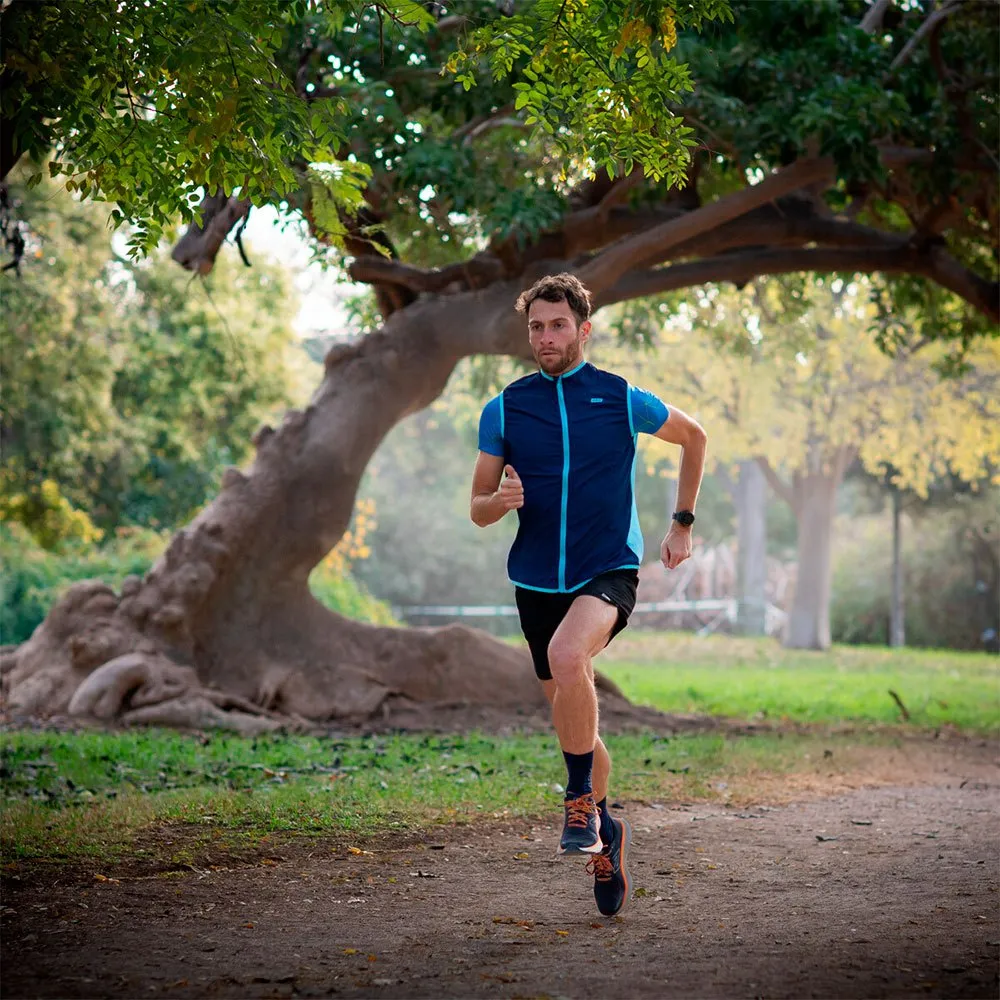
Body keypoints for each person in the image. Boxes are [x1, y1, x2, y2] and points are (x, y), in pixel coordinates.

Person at [469, 273, 707, 917]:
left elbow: (694, 437)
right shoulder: (505, 409)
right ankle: (605, 827)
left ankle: (577, 802)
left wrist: (682, 523)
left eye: (558, 325)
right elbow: (477, 508)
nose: (546, 337)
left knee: (570, 656)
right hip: (535, 582)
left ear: (583, 329)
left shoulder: (620, 397)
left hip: (608, 569)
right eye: (536, 327)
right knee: (573, 717)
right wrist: (500, 501)